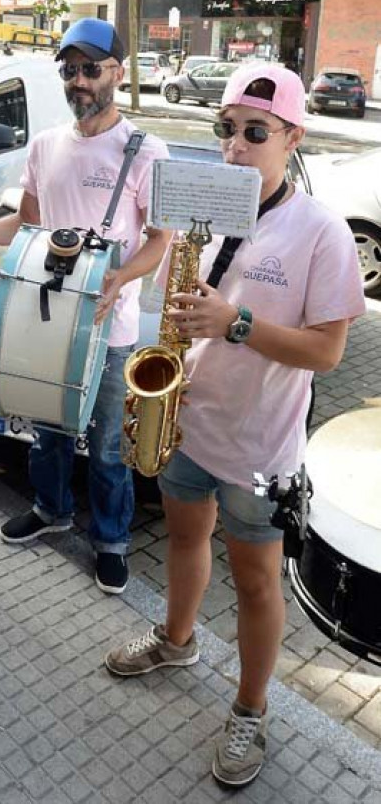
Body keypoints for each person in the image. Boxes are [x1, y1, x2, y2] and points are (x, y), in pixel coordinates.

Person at [104, 63, 364, 789]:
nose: (236, 145)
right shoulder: (207, 209)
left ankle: (251, 708)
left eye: (256, 131)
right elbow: (178, 316)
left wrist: (236, 323)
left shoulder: (321, 231)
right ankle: (177, 640)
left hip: (261, 445)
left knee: (255, 581)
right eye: (226, 128)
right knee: (186, 539)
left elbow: (329, 351)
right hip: (189, 421)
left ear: (292, 137)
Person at [0, 18, 171, 595]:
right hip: (45, 317)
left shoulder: (145, 150)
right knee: (48, 431)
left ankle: (111, 541)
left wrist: (119, 278)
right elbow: (27, 226)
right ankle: (52, 509)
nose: (79, 80)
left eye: (91, 69)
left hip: (110, 328)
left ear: (118, 72)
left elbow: (160, 242)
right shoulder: (44, 146)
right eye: (69, 70)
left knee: (110, 445)